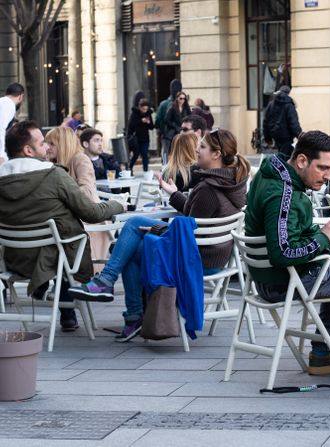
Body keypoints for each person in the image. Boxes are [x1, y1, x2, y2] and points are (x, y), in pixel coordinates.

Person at [69, 129, 250, 341]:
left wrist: (158, 229)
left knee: (133, 231)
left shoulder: (208, 188)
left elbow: (189, 233)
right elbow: (196, 220)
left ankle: (115, 293)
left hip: (197, 259)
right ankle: (129, 310)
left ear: (216, 154)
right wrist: (173, 194)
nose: (197, 150)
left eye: (202, 147)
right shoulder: (231, 181)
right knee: (131, 246)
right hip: (213, 255)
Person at [245, 130, 330, 378]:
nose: (328, 177)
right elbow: (283, 252)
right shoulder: (284, 194)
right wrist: (323, 237)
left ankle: (323, 354)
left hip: (268, 277)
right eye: (323, 168)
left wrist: (320, 233)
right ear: (302, 161)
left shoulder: (272, 173)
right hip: (284, 280)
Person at [0, 121, 124, 331]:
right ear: (28, 150)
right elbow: (91, 213)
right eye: (42, 143)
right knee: (67, 243)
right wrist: (117, 204)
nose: (47, 147)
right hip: (56, 258)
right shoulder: (53, 174)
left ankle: (61, 308)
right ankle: (69, 310)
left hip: (13, 260)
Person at [45, 126, 112, 273]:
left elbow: (87, 191)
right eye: (45, 143)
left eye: (51, 144)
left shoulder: (80, 159)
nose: (46, 147)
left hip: (87, 221)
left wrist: (60, 197)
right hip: (65, 220)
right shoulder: (52, 163)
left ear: (63, 144)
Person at [262, 85, 302, 157]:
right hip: (286, 136)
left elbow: (265, 122)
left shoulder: (271, 104)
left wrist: (268, 139)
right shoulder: (289, 105)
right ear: (288, 93)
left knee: (282, 155)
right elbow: (293, 122)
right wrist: (300, 135)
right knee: (285, 157)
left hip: (275, 136)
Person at [155, 79, 182, 160]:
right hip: (179, 134)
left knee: (166, 156)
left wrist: (162, 130)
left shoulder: (163, 104)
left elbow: (157, 121)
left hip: (166, 135)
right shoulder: (182, 104)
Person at [126, 98, 154, 174]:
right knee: (136, 154)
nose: (145, 110)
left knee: (145, 154)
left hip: (145, 138)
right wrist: (141, 121)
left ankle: (145, 170)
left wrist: (148, 122)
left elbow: (151, 127)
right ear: (140, 107)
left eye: (146, 109)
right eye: (143, 109)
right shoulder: (135, 114)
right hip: (136, 138)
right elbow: (131, 125)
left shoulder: (148, 114)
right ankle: (130, 167)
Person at [0, 83, 25, 165]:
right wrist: (1, 154)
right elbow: (1, 128)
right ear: (20, 96)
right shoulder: (9, 105)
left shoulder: (3, 102)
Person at [163, 91, 191, 163]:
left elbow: (190, 118)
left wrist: (186, 126)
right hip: (172, 133)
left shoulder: (186, 108)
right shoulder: (172, 107)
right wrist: (176, 126)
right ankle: (166, 165)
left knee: (181, 150)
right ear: (177, 99)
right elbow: (166, 120)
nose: (182, 100)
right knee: (169, 151)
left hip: (182, 132)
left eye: (184, 99)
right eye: (181, 98)